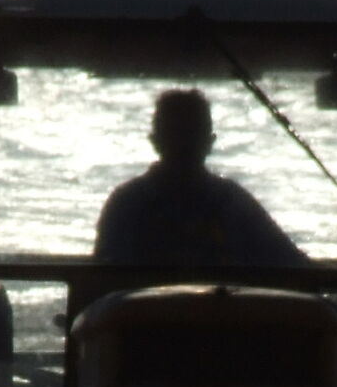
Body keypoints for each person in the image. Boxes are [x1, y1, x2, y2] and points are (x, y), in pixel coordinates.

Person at [95, 88, 306, 268]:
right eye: (177, 135)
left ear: (154, 141)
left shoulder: (127, 201)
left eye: (190, 135)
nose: (184, 145)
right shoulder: (233, 201)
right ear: (210, 143)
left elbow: (291, 262)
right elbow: (294, 266)